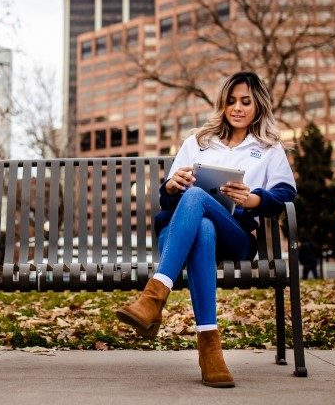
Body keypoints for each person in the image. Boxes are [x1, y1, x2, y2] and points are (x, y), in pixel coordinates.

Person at [115, 71, 297, 388]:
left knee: (198, 198)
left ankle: (154, 297)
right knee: (203, 228)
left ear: (258, 106)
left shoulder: (268, 148)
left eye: (245, 102)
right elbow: (167, 196)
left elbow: (285, 195)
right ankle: (209, 350)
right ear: (222, 105)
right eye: (231, 101)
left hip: (236, 236)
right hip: (179, 233)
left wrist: (254, 199)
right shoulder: (198, 142)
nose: (237, 108)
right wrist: (171, 186)